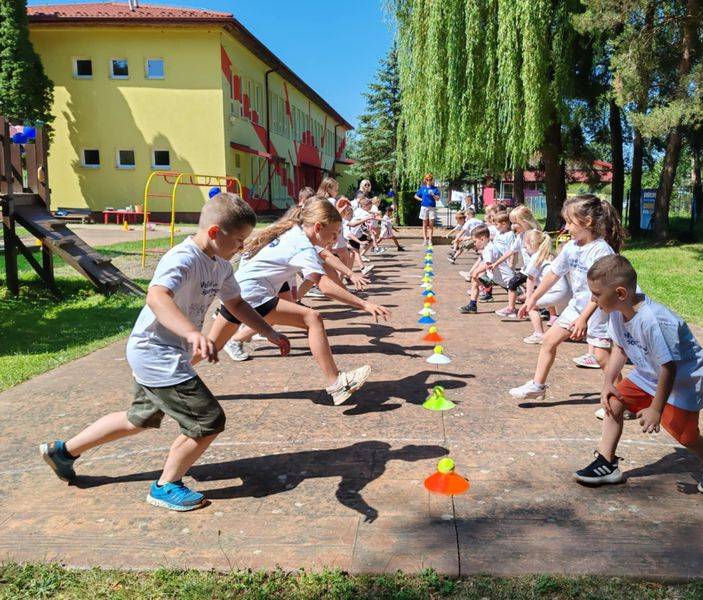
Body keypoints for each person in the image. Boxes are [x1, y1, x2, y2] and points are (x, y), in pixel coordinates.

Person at [39, 193, 292, 511]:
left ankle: (63, 452)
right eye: (239, 240)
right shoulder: (183, 258)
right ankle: (165, 486)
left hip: (164, 353)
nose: (242, 247)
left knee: (140, 418)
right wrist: (191, 332)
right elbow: (157, 297)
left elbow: (237, 304)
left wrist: (268, 331)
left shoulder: (221, 266)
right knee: (207, 420)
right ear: (214, 232)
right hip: (156, 352)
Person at [207, 198, 390, 406]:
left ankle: (164, 380)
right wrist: (364, 304)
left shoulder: (295, 230)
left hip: (240, 291)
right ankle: (337, 383)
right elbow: (325, 286)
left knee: (210, 346)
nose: (334, 239)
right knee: (313, 318)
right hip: (252, 294)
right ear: (318, 227)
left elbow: (325, 266)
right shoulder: (303, 247)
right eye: (333, 234)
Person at [574, 254, 703, 497]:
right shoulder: (616, 311)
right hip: (649, 373)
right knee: (613, 402)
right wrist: (607, 382)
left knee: (685, 435)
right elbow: (621, 348)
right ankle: (606, 463)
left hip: (682, 380)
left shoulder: (653, 320)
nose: (592, 299)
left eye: (596, 294)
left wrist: (656, 409)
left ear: (621, 293)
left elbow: (670, 368)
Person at [509, 194, 624, 400]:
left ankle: (626, 398)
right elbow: (554, 273)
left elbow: (602, 290)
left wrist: (583, 319)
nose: (566, 227)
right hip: (578, 305)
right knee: (549, 341)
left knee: (601, 356)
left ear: (587, 222)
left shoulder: (601, 251)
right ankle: (537, 386)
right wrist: (532, 298)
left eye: (570, 222)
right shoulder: (571, 247)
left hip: (598, 308)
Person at [519, 229, 571, 345]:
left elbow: (530, 279)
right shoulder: (550, 255)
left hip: (556, 292)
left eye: (525, 246)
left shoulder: (536, 256)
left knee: (531, 307)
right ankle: (575, 334)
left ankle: (538, 334)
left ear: (531, 244)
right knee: (567, 315)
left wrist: (528, 299)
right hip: (567, 292)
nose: (525, 248)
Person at [458, 225, 517, 314]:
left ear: (482, 239)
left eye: (475, 241)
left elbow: (487, 265)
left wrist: (475, 271)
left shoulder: (489, 249)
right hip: (493, 278)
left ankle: (536, 307)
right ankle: (472, 305)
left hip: (505, 279)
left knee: (522, 297)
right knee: (475, 282)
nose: (474, 243)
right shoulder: (488, 247)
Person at [414, 173, 440, 246]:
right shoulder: (423, 188)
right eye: (427, 179)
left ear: (432, 180)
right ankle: (425, 240)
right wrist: (421, 199)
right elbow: (415, 196)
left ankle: (430, 240)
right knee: (424, 224)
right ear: (425, 180)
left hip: (432, 207)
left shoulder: (435, 188)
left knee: (431, 224)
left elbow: (438, 199)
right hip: (424, 207)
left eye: (430, 179)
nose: (429, 180)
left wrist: (433, 195)